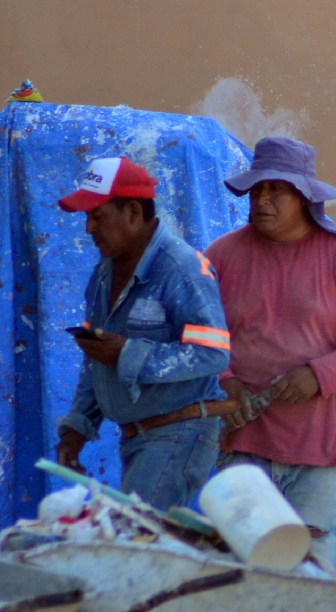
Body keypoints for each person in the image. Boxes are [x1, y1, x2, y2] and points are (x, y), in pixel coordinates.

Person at [206, 138, 336, 579]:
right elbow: (196, 335)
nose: (263, 199)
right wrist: (225, 379)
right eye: (257, 190)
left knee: (317, 585)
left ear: (306, 198)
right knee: (239, 582)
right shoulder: (221, 256)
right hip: (242, 454)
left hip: (323, 459)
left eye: (277, 190)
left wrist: (321, 374)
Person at [55, 156, 233, 511]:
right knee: (139, 543)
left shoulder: (181, 269)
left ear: (133, 213)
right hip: (138, 437)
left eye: (97, 216)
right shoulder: (104, 273)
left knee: (134, 537)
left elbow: (213, 354)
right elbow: (96, 358)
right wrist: (78, 427)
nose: (88, 228)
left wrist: (127, 353)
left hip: (179, 434)